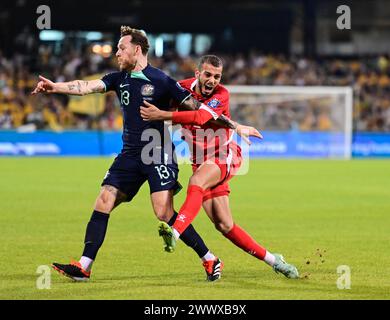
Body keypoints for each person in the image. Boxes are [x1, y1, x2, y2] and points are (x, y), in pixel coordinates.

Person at [31, 27, 252, 282]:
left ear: (136, 50)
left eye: (121, 48)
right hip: (130, 153)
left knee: (163, 212)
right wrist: (55, 86)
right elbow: (85, 87)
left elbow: (202, 110)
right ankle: (84, 265)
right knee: (104, 199)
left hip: (157, 153)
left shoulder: (162, 81)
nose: (117, 53)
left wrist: (236, 126)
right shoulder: (118, 79)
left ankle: (210, 258)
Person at [140, 55, 300, 279]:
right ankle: (275, 260)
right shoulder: (182, 88)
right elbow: (158, 97)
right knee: (224, 225)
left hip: (224, 154)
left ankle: (175, 232)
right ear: (197, 74)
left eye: (217, 76)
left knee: (196, 182)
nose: (212, 80)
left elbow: (199, 117)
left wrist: (163, 115)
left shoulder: (221, 95)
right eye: (208, 75)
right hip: (201, 162)